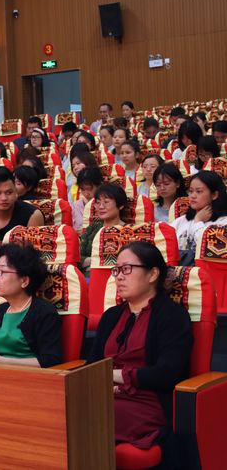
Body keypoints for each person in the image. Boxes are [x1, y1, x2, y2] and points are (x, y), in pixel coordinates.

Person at [88, 242, 192, 458]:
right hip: (104, 395)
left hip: (146, 401)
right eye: (116, 270)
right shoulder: (111, 316)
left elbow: (168, 373)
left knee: (86, 420)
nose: (118, 277)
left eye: (126, 269)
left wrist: (113, 376)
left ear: (153, 274)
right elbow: (92, 365)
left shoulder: (172, 316)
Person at [0, 243, 61, 367]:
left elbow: (51, 360)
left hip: (30, 376)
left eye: (1, 272)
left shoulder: (45, 312)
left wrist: (1, 360)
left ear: (24, 281)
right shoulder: (0, 311)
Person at [171, 171, 227, 265]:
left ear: (214, 195)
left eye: (199, 191)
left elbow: (208, 250)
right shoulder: (180, 221)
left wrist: (198, 221)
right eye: (190, 191)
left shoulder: (223, 223)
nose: (192, 196)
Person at [0, 168, 43, 242]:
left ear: (16, 192)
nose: (4, 198)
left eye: (9, 193)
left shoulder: (32, 216)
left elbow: (35, 247)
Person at [79, 183, 127, 268]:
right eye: (98, 202)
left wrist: (95, 261)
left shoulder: (129, 231)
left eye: (106, 202)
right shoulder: (93, 228)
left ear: (120, 205)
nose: (101, 207)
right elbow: (77, 257)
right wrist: (94, 261)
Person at [72, 167, 103, 231]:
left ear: (99, 186)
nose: (86, 194)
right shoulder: (76, 206)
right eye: (82, 189)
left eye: (89, 189)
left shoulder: (106, 204)